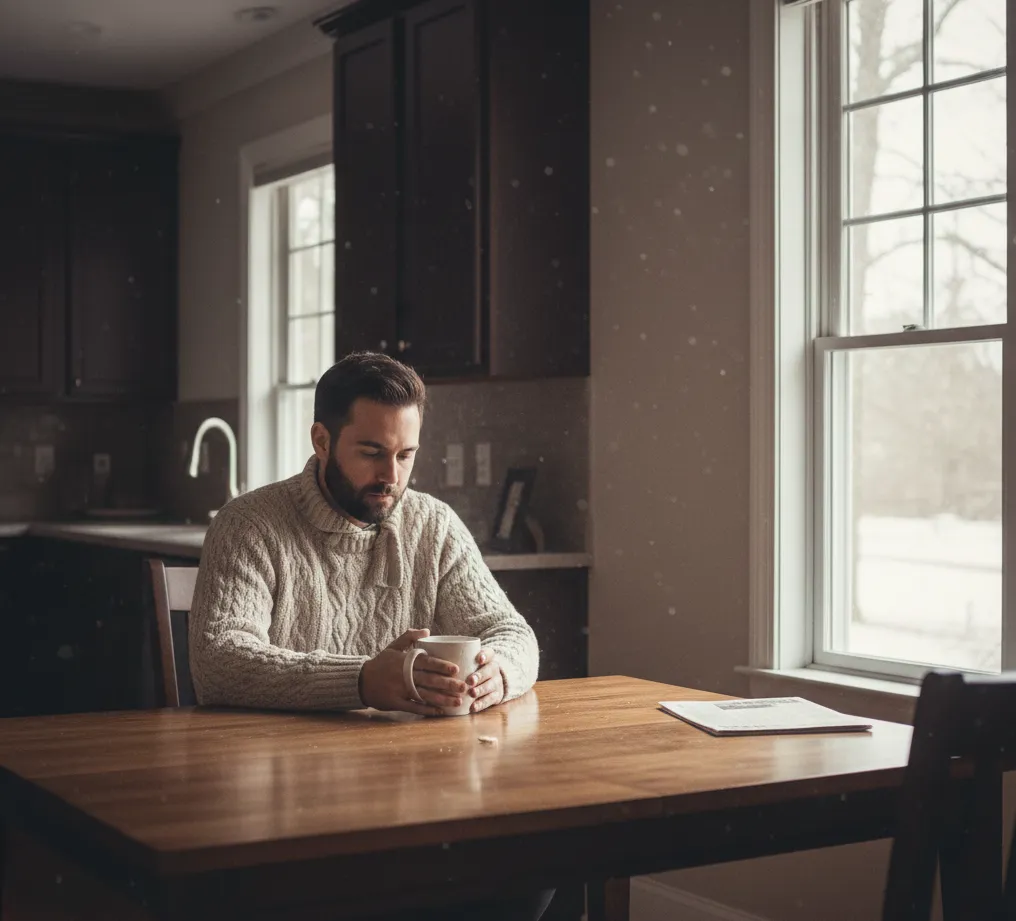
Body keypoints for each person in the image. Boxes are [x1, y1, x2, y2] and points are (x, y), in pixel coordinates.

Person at [189, 351, 553, 921]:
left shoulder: (433, 525)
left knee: (536, 866)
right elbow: (220, 660)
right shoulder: (248, 524)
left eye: (406, 455)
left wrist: (497, 672)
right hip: (281, 811)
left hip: (416, 803)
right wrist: (360, 680)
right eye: (372, 452)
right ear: (322, 439)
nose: (392, 476)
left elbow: (511, 632)